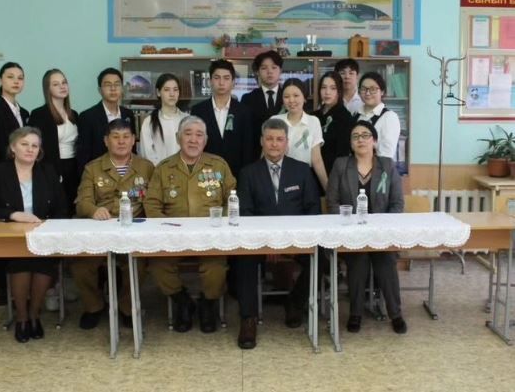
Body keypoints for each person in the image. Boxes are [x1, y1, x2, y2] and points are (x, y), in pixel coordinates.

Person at [144, 116, 236, 334]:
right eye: (188, 134)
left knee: (215, 269)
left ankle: (208, 304)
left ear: (205, 140)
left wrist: (221, 224)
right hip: (172, 236)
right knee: (157, 266)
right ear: (178, 138)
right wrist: (164, 229)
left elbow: (231, 199)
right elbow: (152, 204)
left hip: (211, 236)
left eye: (199, 135)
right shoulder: (164, 168)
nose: (193, 140)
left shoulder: (219, 165)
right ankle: (182, 301)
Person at [235, 118, 321, 349]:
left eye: (279, 139)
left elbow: (313, 210)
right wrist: (267, 243)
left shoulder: (302, 171)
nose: (274, 144)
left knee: (322, 257)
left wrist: (293, 242)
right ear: (261, 141)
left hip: (297, 240)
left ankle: (295, 302)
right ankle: (248, 318)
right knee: (242, 259)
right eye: (269, 139)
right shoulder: (248, 173)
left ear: (287, 143)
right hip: (258, 241)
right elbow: (245, 213)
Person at [0, 127, 67, 343]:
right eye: (24, 144)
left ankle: (34, 314)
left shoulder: (47, 171)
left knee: (43, 263)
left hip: (43, 235)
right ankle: (22, 318)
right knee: (21, 262)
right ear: (13, 147)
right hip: (11, 237)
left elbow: (62, 207)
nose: (30, 149)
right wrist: (12, 215)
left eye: (35, 146)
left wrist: (48, 226)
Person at [326, 120, 407, 334]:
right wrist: (348, 225)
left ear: (374, 141)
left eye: (365, 135)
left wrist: (383, 228)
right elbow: (332, 202)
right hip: (351, 233)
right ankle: (355, 313)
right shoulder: (341, 165)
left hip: (381, 234)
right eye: (355, 136)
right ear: (351, 143)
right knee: (358, 261)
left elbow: (397, 204)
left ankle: (396, 314)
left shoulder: (387, 165)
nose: (360, 140)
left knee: (386, 260)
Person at [74, 119, 154, 329]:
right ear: (106, 141)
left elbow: (155, 201)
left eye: (126, 137)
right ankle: (94, 306)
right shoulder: (92, 168)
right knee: (81, 265)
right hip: (101, 229)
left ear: (134, 140)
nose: (121, 142)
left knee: (137, 264)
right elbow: (82, 202)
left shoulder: (146, 167)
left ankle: (127, 308)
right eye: (115, 137)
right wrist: (93, 210)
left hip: (134, 230)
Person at [0, 61, 29, 306]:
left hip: (23, 179)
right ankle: (1, 287)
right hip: (2, 180)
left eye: (20, 77)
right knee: (2, 234)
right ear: (0, 80)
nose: (16, 81)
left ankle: (22, 286)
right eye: (10, 77)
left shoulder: (24, 112)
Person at [191, 59, 253, 177]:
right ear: (210, 81)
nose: (221, 82)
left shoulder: (244, 111)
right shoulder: (198, 111)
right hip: (205, 174)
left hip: (236, 174)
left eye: (226, 78)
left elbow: (248, 149)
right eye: (217, 78)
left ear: (233, 82)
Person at [29, 69, 79, 216]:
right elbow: (36, 147)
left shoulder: (74, 114)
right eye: (56, 84)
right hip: (52, 167)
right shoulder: (39, 114)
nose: (62, 86)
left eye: (64, 82)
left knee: (72, 210)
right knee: (57, 210)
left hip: (73, 167)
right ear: (48, 89)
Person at [271, 78, 328, 190]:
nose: (291, 100)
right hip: (278, 177)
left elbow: (316, 159)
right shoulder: (275, 120)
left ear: (304, 98)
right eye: (286, 96)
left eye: (296, 95)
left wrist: (328, 189)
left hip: (304, 178)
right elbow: (265, 155)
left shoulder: (313, 121)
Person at [76, 67, 136, 173]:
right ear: (100, 90)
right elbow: (83, 155)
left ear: (122, 88)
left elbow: (133, 148)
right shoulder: (87, 117)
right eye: (108, 85)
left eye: (117, 84)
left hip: (126, 173)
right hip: (98, 175)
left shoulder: (128, 114)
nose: (113, 89)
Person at [241, 50, 284, 158]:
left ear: (280, 71)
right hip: (256, 157)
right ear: (258, 72)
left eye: (274, 67)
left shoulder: (289, 97)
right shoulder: (248, 99)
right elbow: (246, 134)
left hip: (286, 156)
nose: (269, 72)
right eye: (264, 68)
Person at [139, 73, 187, 165]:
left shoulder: (187, 119)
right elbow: (147, 153)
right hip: (158, 171)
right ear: (158, 92)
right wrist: (163, 170)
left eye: (175, 90)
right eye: (167, 90)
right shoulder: (149, 122)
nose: (172, 94)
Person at [314, 71, 353, 175]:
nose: (327, 92)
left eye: (333, 88)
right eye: (323, 87)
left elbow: (343, 155)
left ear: (339, 91)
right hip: (311, 172)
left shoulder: (345, 117)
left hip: (333, 173)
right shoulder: (314, 116)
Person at [356, 72, 401, 159]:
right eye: (364, 89)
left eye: (373, 89)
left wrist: (367, 143)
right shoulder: (356, 115)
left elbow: (387, 153)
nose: (367, 93)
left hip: (378, 166)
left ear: (382, 92)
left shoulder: (389, 117)